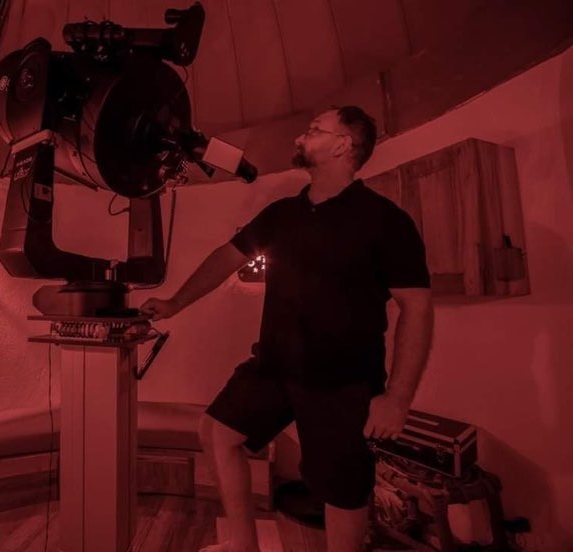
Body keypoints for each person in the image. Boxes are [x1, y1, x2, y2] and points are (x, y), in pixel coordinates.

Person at [139, 106, 434, 552]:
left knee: (343, 492)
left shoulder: (385, 220)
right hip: (273, 368)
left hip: (344, 382)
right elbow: (225, 258)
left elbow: (418, 308)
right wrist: (175, 302)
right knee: (218, 432)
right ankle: (243, 544)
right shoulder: (281, 215)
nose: (303, 134)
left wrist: (398, 397)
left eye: (316, 129)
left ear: (343, 146)